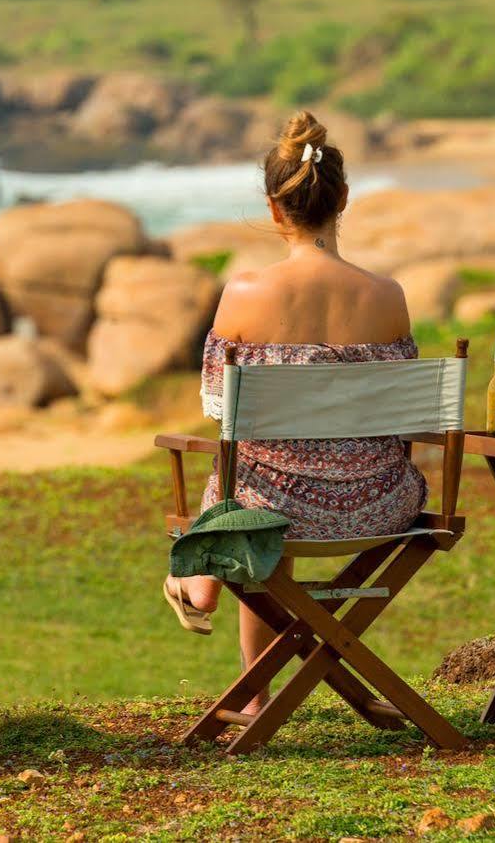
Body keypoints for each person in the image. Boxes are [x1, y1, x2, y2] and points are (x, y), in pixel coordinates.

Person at [161, 111, 422, 713]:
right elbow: (402, 411)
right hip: (381, 506)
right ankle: (257, 693)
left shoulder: (245, 294)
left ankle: (198, 586)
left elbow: (219, 410)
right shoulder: (388, 296)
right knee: (260, 500)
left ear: (275, 210)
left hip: (273, 511)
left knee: (248, 493)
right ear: (344, 199)